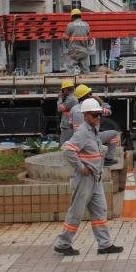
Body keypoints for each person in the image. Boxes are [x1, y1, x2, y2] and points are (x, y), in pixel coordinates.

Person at [52, 97, 123, 256]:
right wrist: (81, 167)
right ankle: (63, 244)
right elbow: (68, 150)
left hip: (94, 178)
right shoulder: (83, 132)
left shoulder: (94, 131)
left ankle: (104, 244)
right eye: (94, 115)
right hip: (84, 179)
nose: (98, 118)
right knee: (76, 212)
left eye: (99, 115)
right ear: (85, 116)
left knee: (100, 211)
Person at [64, 8, 92, 73]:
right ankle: (87, 82)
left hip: (74, 51)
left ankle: (70, 82)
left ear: (73, 16)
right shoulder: (86, 25)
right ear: (80, 16)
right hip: (84, 51)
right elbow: (89, 38)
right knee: (85, 71)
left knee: (70, 70)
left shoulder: (70, 25)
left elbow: (65, 37)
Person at [57, 80, 78, 145]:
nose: (62, 92)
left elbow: (59, 109)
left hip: (67, 126)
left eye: (63, 90)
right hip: (68, 125)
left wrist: (60, 98)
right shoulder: (71, 98)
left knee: (63, 145)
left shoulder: (71, 99)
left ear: (66, 89)